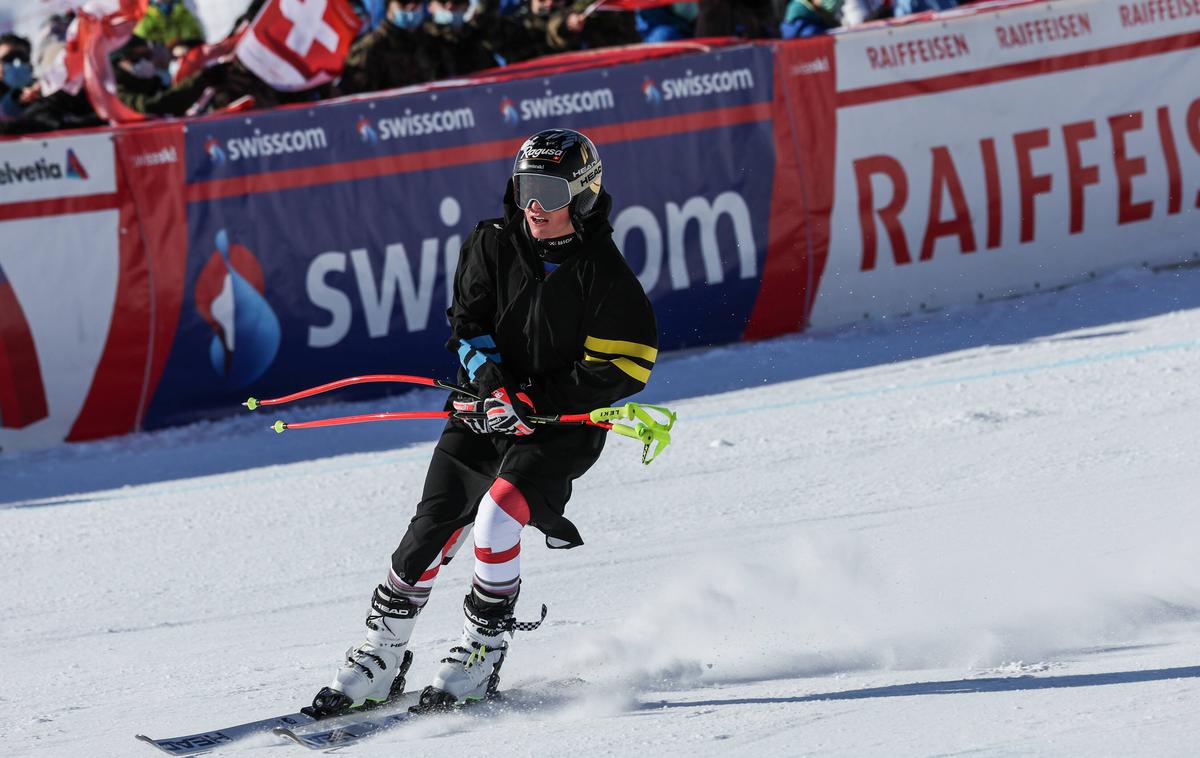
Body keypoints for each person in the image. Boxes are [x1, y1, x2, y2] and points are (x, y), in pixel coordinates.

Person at [307, 128, 658, 713]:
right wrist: (495, 388)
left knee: (497, 515)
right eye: (526, 189)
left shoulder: (606, 276)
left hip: (562, 424)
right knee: (431, 530)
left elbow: (624, 366)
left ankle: (482, 648)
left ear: (584, 195)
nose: (535, 206)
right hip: (484, 410)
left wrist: (533, 399)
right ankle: (381, 654)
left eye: (549, 190)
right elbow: (467, 325)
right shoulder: (491, 243)